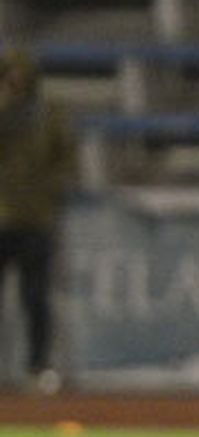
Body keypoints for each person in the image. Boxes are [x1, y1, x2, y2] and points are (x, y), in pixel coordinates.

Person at [0, 47, 75, 394]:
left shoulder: (48, 115)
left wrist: (49, 192)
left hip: (35, 219)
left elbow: (67, 159)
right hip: (1, 217)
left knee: (35, 297)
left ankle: (38, 365)